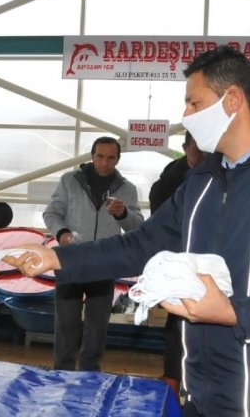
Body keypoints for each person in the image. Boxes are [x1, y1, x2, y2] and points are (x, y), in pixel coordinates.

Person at [5, 45, 250, 416]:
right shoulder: (201, 181)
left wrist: (234, 312)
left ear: (233, 100)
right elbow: (141, 246)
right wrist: (57, 258)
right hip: (202, 394)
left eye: (194, 103)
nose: (185, 115)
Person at [43, 136, 144, 371]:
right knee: (66, 325)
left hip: (104, 263)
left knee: (97, 327)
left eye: (110, 158)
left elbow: (138, 226)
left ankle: (90, 377)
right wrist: (63, 234)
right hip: (70, 261)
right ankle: (62, 373)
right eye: (100, 156)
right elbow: (51, 213)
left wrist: (123, 214)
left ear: (118, 160)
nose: (104, 162)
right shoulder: (69, 181)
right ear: (92, 156)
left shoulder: (127, 189)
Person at [147, 132, 205, 395]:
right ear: (185, 148)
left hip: (212, 269)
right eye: (198, 147)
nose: (204, 153)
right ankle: (172, 380)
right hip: (180, 264)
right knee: (178, 323)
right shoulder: (172, 180)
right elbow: (158, 227)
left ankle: (189, 384)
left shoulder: (224, 173)